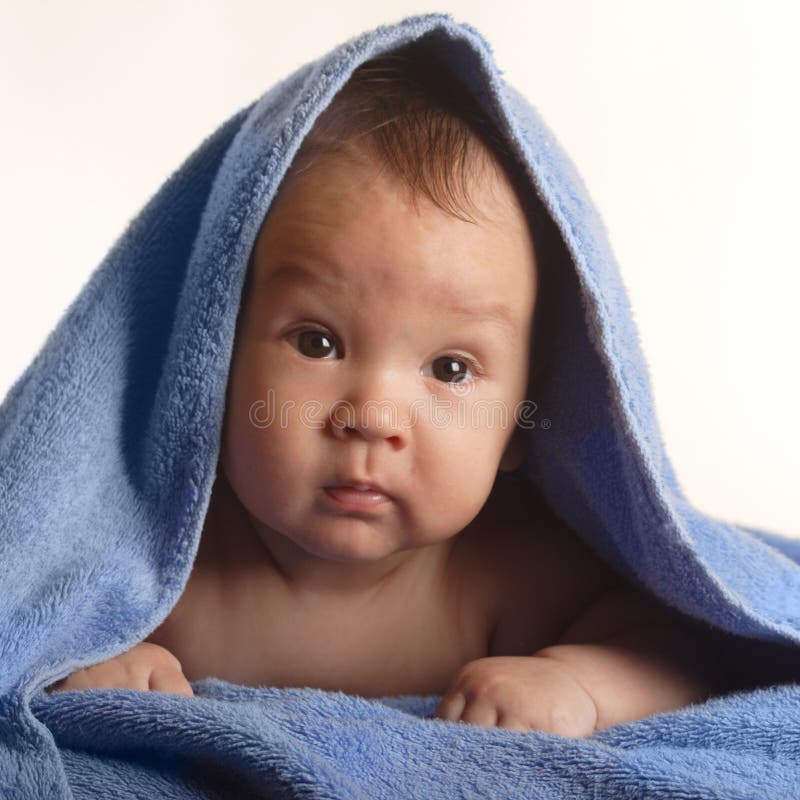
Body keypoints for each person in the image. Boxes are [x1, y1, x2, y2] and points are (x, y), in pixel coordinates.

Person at [46, 45, 727, 737]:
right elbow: (29, 605)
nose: (371, 418)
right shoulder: (155, 568)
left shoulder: (507, 576)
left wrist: (579, 684)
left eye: (451, 369)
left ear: (522, 421)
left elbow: (691, 653)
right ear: (210, 352)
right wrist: (90, 658)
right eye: (317, 342)